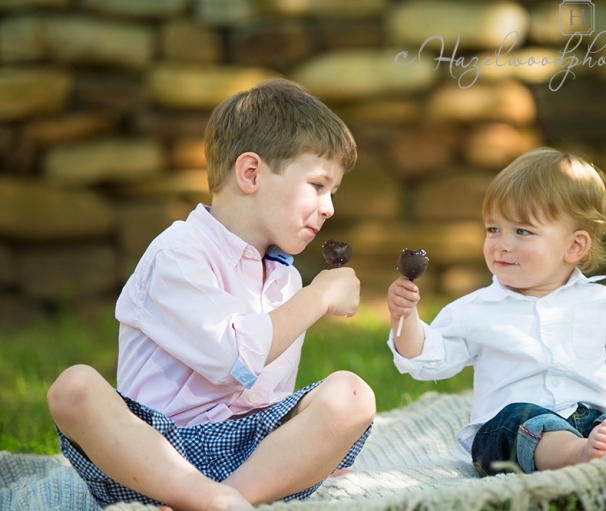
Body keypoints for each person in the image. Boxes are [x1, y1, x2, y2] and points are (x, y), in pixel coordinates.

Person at [47, 78, 376, 511]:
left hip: (250, 456)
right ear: (251, 173)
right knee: (74, 387)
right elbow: (234, 358)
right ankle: (209, 499)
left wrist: (305, 445)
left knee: (353, 395)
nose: (329, 207)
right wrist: (318, 298)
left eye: (333, 192)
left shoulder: (286, 281)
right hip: (153, 457)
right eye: (318, 185)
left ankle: (229, 497)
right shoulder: (177, 255)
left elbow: (269, 397)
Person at [386, 147, 606, 476]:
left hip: (596, 422)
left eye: (522, 231)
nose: (502, 243)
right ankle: (576, 455)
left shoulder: (605, 306)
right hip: (518, 430)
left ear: (574, 246)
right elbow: (427, 358)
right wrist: (405, 317)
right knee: (515, 419)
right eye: (493, 229)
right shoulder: (475, 310)